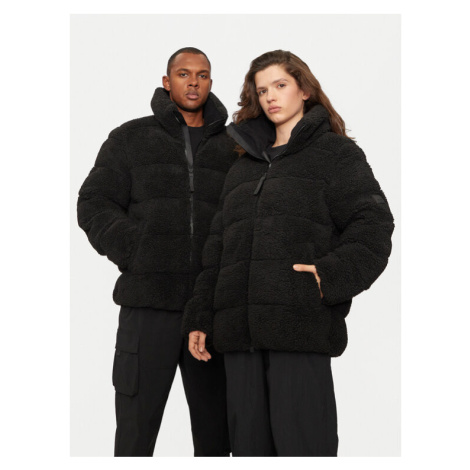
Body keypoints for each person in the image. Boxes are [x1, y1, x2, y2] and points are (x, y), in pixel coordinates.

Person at [182, 50, 395, 457]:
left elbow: (373, 226)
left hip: (298, 329)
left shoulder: (335, 155)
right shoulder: (242, 167)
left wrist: (326, 277)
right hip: (237, 338)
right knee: (249, 450)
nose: (271, 97)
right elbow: (217, 251)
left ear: (304, 89)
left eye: (280, 85)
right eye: (262, 90)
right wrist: (200, 316)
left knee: (304, 449)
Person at [77, 47, 237, 457]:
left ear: (210, 82)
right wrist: (136, 250)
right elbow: (94, 202)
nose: (193, 82)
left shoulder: (235, 145)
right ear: (167, 82)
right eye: (183, 74)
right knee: (135, 435)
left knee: (217, 437)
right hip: (148, 306)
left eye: (202, 74)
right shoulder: (130, 138)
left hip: (210, 311)